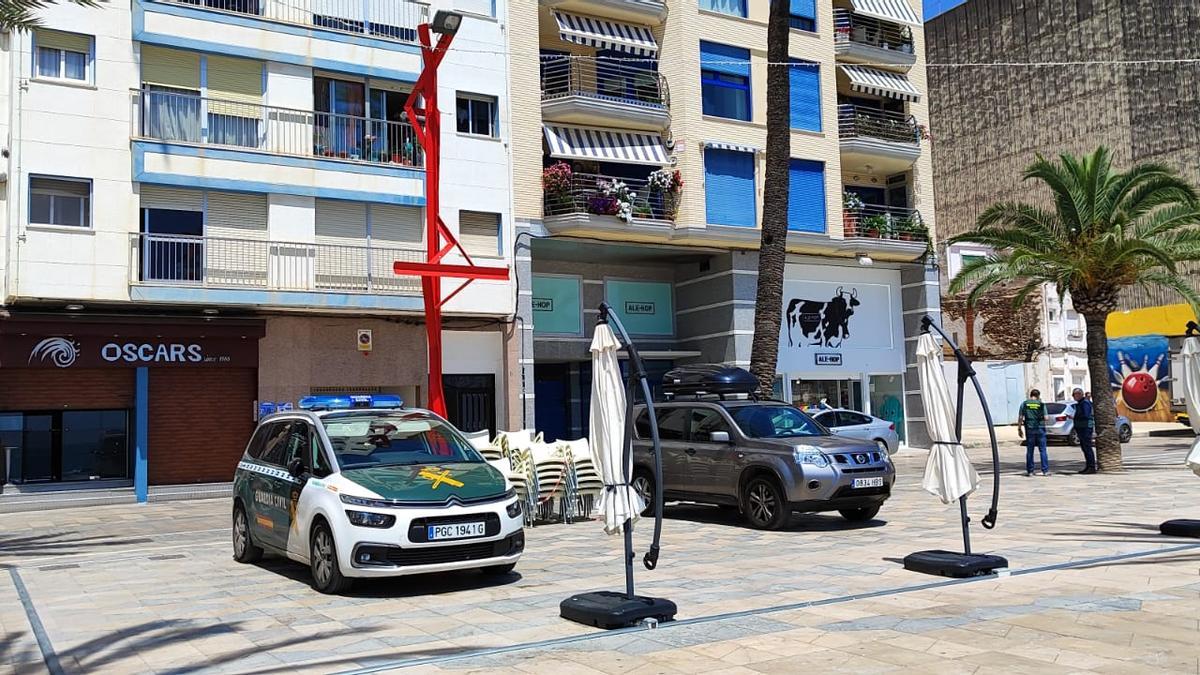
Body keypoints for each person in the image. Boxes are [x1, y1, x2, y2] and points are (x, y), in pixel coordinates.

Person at [1017, 388, 1050, 476]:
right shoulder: (1041, 404)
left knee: (1030, 450)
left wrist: (1019, 428)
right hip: (1040, 428)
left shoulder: (1024, 403)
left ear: (1031, 395)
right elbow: (1046, 418)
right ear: (1038, 396)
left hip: (1029, 428)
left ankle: (1030, 471)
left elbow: (1021, 417)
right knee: (1043, 450)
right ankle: (1045, 471)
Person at [1072, 387, 1097, 474]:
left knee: (1087, 447)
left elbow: (1086, 415)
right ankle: (1088, 466)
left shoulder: (1085, 403)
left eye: (1077, 394)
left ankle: (1091, 467)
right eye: (1074, 395)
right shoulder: (1079, 403)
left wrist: (1075, 417)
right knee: (1084, 448)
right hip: (1081, 427)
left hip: (1085, 428)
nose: (1076, 396)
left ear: (1081, 394)